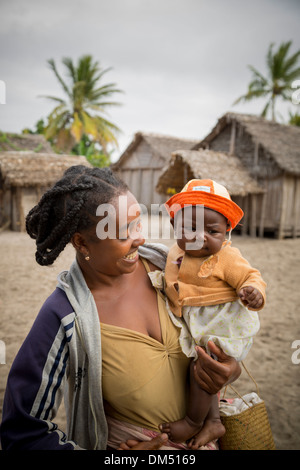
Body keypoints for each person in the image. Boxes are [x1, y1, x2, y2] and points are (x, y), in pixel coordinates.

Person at [0, 167, 241, 450]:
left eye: (137, 223)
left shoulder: (172, 270)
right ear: (81, 242)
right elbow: (23, 432)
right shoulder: (64, 316)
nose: (139, 238)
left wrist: (229, 369)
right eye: (124, 232)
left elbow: (222, 329)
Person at [157, 179, 266, 449]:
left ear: (226, 232)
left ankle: (194, 421)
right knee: (205, 373)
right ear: (174, 226)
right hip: (202, 326)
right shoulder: (174, 253)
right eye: (190, 227)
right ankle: (214, 421)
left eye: (212, 230)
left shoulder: (226, 258)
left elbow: (251, 276)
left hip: (224, 325)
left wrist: (253, 291)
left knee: (200, 372)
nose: (200, 235)